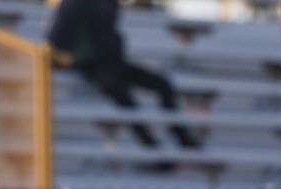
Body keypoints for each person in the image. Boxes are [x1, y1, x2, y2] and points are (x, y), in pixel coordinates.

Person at [48, 0, 198, 150]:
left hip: (115, 63)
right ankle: (152, 147)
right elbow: (57, 39)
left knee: (163, 85)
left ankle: (185, 142)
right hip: (91, 66)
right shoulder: (74, 4)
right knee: (125, 97)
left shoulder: (110, 4)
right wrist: (73, 61)